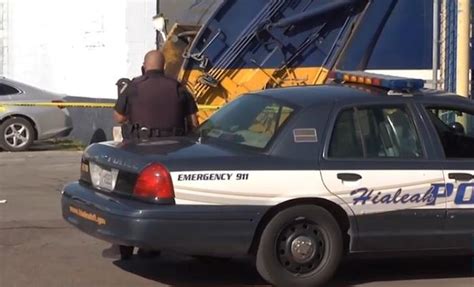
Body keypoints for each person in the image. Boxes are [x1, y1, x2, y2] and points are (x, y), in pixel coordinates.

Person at [114, 50, 199, 140]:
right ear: (164, 66)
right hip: (174, 147)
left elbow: (119, 118)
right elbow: (194, 123)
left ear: (144, 66)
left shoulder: (133, 86)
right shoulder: (178, 87)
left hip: (140, 147)